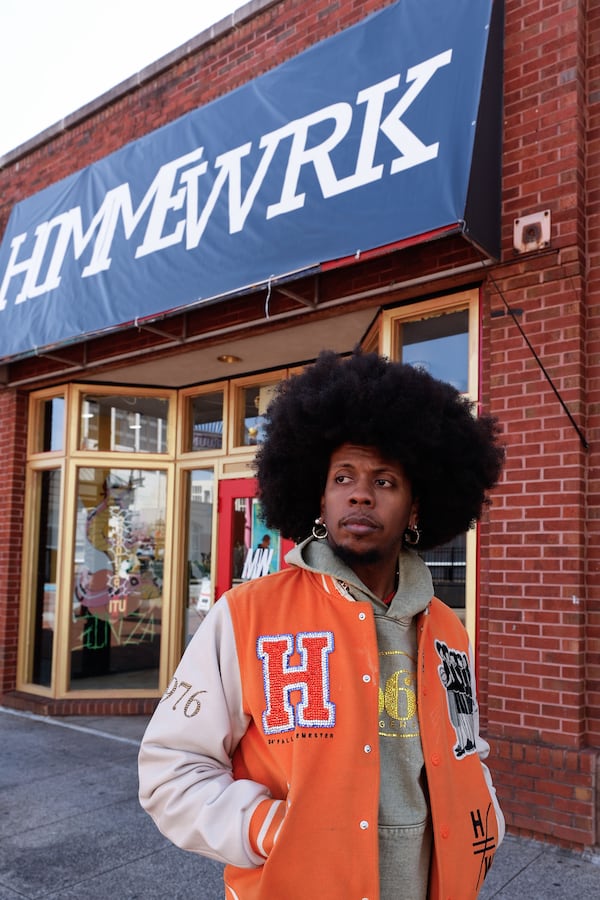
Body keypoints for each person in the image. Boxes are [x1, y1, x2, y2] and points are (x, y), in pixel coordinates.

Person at [138, 349, 506, 900]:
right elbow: (172, 770)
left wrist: (487, 826)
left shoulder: (447, 629)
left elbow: (465, 750)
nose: (361, 492)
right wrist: (268, 829)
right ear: (320, 496)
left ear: (414, 509)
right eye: (344, 477)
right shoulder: (247, 615)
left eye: (385, 481)